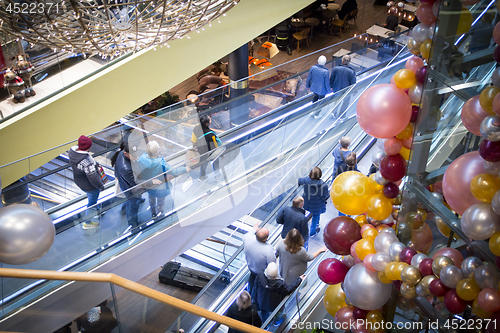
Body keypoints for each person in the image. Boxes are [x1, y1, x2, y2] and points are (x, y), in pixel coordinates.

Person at [138, 141, 188, 219]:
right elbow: (173, 171)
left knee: (151, 198)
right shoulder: (161, 162)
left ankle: (153, 213)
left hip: (149, 185)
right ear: (156, 151)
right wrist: (184, 169)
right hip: (160, 186)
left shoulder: (142, 158)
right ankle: (160, 213)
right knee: (161, 201)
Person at [112, 141, 155, 228]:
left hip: (126, 184)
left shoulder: (122, 154)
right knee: (132, 206)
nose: (136, 157)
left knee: (129, 201)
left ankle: (124, 210)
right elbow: (135, 183)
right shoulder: (126, 168)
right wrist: (151, 182)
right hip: (131, 191)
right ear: (126, 153)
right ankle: (133, 224)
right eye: (134, 155)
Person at [68, 135, 105, 229]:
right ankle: (87, 223)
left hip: (79, 181)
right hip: (90, 186)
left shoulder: (72, 153)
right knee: (91, 203)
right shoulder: (87, 162)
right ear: (88, 147)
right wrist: (101, 186)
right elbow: (93, 178)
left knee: (92, 199)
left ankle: (98, 210)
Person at [242, 223, 276, 294]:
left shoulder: (248, 238)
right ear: (266, 239)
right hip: (262, 274)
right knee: (259, 289)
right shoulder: (268, 249)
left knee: (251, 284)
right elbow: (272, 264)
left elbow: (248, 235)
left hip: (251, 269)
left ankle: (249, 294)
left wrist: (255, 229)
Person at [298, 167, 329, 237]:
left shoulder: (306, 180)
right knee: (316, 217)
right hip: (317, 206)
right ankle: (312, 232)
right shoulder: (323, 185)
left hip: (306, 202)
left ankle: (301, 228)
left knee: (303, 215)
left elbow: (299, 180)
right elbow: (326, 195)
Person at [191, 114, 221, 181]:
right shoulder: (211, 133)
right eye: (209, 119)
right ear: (207, 124)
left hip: (202, 151)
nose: (210, 119)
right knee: (216, 162)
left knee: (203, 163)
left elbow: (193, 140)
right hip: (211, 152)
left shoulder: (195, 128)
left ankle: (202, 176)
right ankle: (217, 176)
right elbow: (217, 144)